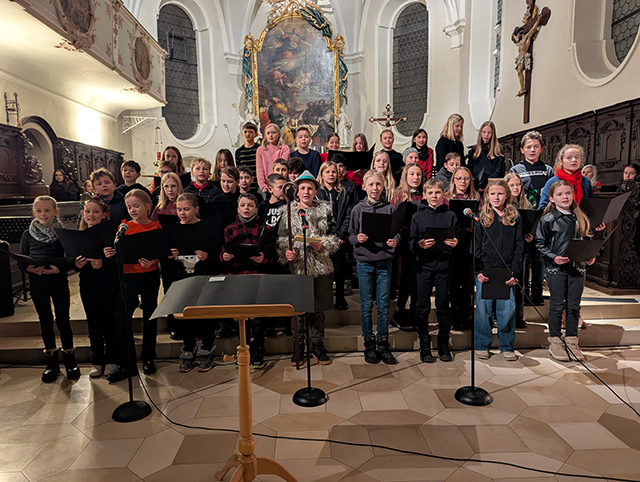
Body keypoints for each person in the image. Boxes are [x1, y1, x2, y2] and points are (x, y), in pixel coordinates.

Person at [277, 171, 340, 365]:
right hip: (298, 267)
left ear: (315, 191)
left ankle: (317, 345)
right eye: (302, 188)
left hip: (319, 265)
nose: (306, 191)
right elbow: (281, 239)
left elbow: (334, 237)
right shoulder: (287, 211)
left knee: (317, 309)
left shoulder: (325, 210)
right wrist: (286, 252)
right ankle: (298, 346)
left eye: (310, 188)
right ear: (296, 192)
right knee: (298, 311)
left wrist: (322, 245)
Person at [19, 195, 80, 383]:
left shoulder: (62, 233)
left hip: (58, 281)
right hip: (38, 283)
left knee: (63, 319)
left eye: (47, 210)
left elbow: (71, 259)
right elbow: (22, 258)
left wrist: (58, 269)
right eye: (39, 211)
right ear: (34, 212)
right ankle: (51, 362)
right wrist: (29, 268)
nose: (43, 214)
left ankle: (70, 360)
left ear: (56, 212)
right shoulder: (27, 234)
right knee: (45, 320)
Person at [104, 189, 161, 382]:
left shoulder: (155, 226)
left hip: (149, 275)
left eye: (136, 206)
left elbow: (160, 251)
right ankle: (127, 363)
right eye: (129, 207)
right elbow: (116, 251)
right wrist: (110, 254)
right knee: (122, 318)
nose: (132, 210)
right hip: (128, 276)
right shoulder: (123, 227)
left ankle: (148, 358)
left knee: (150, 316)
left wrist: (153, 260)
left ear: (147, 206)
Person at [536, 180, 595, 362]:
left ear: (573, 195)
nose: (565, 197)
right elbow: (540, 244)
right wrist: (553, 257)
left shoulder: (580, 217)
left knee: (573, 306)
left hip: (577, 268)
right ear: (552, 198)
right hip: (557, 268)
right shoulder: (547, 219)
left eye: (568, 193)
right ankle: (555, 341)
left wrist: (590, 255)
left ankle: (571, 341)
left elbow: (587, 241)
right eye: (560, 194)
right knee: (556, 305)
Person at [348, 170, 399, 364]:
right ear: (364, 187)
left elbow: (396, 233)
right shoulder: (357, 209)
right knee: (366, 305)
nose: (375, 188)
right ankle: (369, 344)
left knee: (383, 305)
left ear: (383, 186)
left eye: (378, 184)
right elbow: (351, 234)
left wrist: (395, 240)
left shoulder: (390, 209)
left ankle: (383, 344)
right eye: (371, 184)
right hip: (365, 262)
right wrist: (357, 239)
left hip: (384, 261)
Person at [475, 180, 525, 360]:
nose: (496, 197)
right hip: (486, 271)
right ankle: (482, 344)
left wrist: (516, 272)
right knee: (483, 310)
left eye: (500, 193)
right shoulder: (481, 218)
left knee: (507, 310)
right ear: (487, 196)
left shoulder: (514, 217)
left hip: (507, 270)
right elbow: (476, 246)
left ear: (507, 195)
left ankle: (507, 346)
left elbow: (519, 246)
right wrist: (478, 271)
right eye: (493, 194)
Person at [410, 178, 458, 362]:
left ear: (443, 194)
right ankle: (425, 343)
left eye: (438, 192)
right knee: (422, 306)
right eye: (430, 193)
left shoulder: (450, 215)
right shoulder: (418, 216)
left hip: (444, 266)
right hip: (424, 266)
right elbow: (411, 241)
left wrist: (455, 242)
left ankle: (443, 344)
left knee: (443, 306)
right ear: (424, 195)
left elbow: (457, 239)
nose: (434, 196)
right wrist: (420, 244)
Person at [169, 193, 217, 372]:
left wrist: (207, 256)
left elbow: (216, 251)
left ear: (196, 209)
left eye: (186, 209)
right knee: (186, 314)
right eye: (179, 209)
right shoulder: (173, 230)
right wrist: (170, 256)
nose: (182, 213)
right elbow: (165, 257)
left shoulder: (207, 227)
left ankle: (207, 348)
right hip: (182, 277)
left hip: (203, 275)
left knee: (205, 314)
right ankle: (189, 349)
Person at [75, 196, 119, 378]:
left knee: (109, 321)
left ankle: (112, 359)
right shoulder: (78, 236)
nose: (91, 215)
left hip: (107, 282)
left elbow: (118, 260)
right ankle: (97, 360)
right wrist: (76, 264)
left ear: (103, 214)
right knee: (93, 322)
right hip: (87, 282)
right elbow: (71, 258)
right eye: (87, 211)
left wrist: (104, 262)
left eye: (95, 211)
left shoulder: (110, 233)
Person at [509, 131, 553, 306]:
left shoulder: (548, 170)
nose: (532, 150)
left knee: (538, 257)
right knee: (522, 257)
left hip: (541, 220)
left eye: (536, 147)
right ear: (522, 150)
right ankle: (523, 293)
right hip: (522, 220)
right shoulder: (516, 170)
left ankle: (537, 293)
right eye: (528, 147)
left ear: (541, 149)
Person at [317, 160, 357, 310]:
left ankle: (340, 297)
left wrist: (342, 234)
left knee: (339, 269)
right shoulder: (317, 192)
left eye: (333, 171)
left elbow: (348, 214)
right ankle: (326, 298)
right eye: (327, 172)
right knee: (324, 270)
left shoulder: (344, 192)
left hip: (340, 235)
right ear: (321, 174)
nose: (331, 174)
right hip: (322, 237)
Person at [445, 166, 481, 331]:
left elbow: (481, 217)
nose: (462, 182)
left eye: (466, 178)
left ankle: (467, 316)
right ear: (453, 180)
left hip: (470, 243)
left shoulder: (476, 197)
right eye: (459, 178)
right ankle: (455, 316)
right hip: (453, 244)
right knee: (454, 282)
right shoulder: (446, 198)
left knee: (467, 283)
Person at [391, 163, 424, 329]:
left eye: (418, 174)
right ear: (405, 176)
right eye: (412, 174)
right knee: (408, 276)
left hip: (422, 241)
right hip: (405, 240)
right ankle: (401, 310)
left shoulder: (425, 194)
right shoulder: (398, 196)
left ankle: (416, 312)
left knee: (419, 278)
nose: (415, 177)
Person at [506, 172, 533, 329]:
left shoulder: (526, 204)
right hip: (506, 247)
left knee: (520, 282)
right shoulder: (504, 204)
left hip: (521, 248)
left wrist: (530, 235)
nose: (516, 188)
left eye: (518, 185)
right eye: (512, 185)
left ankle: (518, 316)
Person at [539, 144, 594, 209]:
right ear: (561, 162)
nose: (574, 160)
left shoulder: (585, 181)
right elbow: (543, 206)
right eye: (569, 157)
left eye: (577, 157)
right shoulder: (553, 181)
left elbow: (590, 204)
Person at [467, 121, 505, 189]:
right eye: (484, 132)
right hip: (475, 185)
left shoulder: (498, 150)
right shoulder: (475, 150)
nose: (486, 135)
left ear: (493, 134)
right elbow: (470, 168)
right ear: (480, 133)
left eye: (489, 132)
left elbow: (499, 170)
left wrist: (487, 182)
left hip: (491, 184)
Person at [256, 124, 290, 192]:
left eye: (273, 132)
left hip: (280, 184)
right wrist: (263, 185)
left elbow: (282, 167)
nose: (271, 135)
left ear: (279, 134)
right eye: (268, 133)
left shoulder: (284, 148)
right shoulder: (260, 150)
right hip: (266, 185)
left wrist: (278, 184)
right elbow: (260, 169)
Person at [235, 122, 260, 191]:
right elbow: (239, 169)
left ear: (256, 134)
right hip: (244, 184)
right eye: (245, 132)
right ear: (242, 134)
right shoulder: (239, 151)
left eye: (251, 132)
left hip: (257, 184)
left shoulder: (259, 149)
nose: (248, 134)